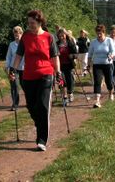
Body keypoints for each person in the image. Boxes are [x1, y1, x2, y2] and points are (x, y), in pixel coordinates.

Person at [9, 9, 61, 152]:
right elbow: (19, 55)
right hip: (29, 76)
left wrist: (58, 72)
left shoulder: (49, 37)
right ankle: (40, 124)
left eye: (32, 23)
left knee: (43, 106)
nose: (30, 25)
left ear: (39, 22)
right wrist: (13, 69)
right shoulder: (25, 37)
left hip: (46, 74)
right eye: (29, 23)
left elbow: (55, 57)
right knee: (31, 106)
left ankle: (42, 139)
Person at [87, 24, 115, 108]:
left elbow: (113, 52)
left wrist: (111, 56)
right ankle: (97, 101)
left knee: (109, 81)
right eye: (97, 33)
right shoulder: (93, 42)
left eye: (100, 33)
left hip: (107, 64)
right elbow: (90, 54)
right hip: (97, 64)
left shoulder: (109, 40)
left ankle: (110, 93)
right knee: (97, 82)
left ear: (104, 33)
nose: (99, 35)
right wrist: (88, 64)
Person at [5, 26, 25, 110]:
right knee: (14, 86)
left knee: (25, 85)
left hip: (24, 67)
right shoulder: (11, 44)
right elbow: (8, 56)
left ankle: (30, 101)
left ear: (21, 34)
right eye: (15, 34)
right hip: (13, 68)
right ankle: (15, 104)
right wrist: (7, 66)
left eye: (18, 34)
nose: (16, 36)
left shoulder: (25, 44)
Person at [56, 28, 78, 103]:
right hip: (59, 65)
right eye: (60, 36)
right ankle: (65, 96)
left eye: (63, 35)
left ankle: (70, 93)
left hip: (69, 65)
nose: (61, 37)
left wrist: (72, 56)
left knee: (70, 80)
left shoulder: (70, 42)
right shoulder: (56, 44)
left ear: (66, 35)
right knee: (62, 80)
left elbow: (76, 54)